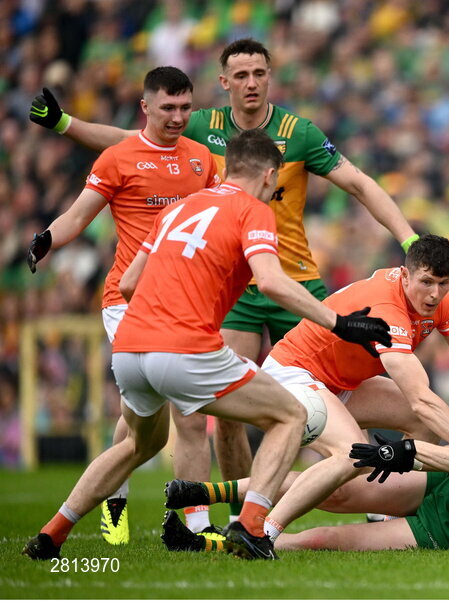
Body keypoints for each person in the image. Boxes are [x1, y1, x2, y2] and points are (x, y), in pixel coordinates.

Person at [29, 38, 419, 535]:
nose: (252, 83)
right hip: (234, 288)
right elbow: (132, 143)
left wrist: (407, 236)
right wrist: (66, 124)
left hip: (292, 280)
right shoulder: (197, 124)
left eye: (260, 72)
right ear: (225, 82)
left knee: (336, 388)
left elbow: (360, 183)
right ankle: (238, 515)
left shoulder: (298, 132)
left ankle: (369, 493)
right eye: (242, 75)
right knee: (225, 411)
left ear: (270, 74)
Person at [159, 234, 449, 547]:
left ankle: (384, 507)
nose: (435, 294)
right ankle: (259, 532)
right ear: (405, 275)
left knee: (407, 428)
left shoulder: (441, 303)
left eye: (444, 283)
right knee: (352, 454)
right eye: (427, 282)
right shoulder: (388, 307)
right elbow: (422, 399)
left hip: (341, 382)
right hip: (297, 375)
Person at [26, 66, 220, 544]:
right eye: (168, 108)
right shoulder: (118, 157)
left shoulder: (202, 160)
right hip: (127, 302)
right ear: (146, 108)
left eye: (185, 108)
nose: (177, 117)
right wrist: (47, 239)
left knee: (176, 418)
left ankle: (193, 524)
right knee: (151, 425)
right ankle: (117, 504)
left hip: (186, 305)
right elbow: (78, 213)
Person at [161, 398, 449, 552]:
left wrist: (408, 452)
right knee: (342, 488)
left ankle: (214, 543)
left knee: (327, 537)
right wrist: (412, 456)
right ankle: (207, 492)